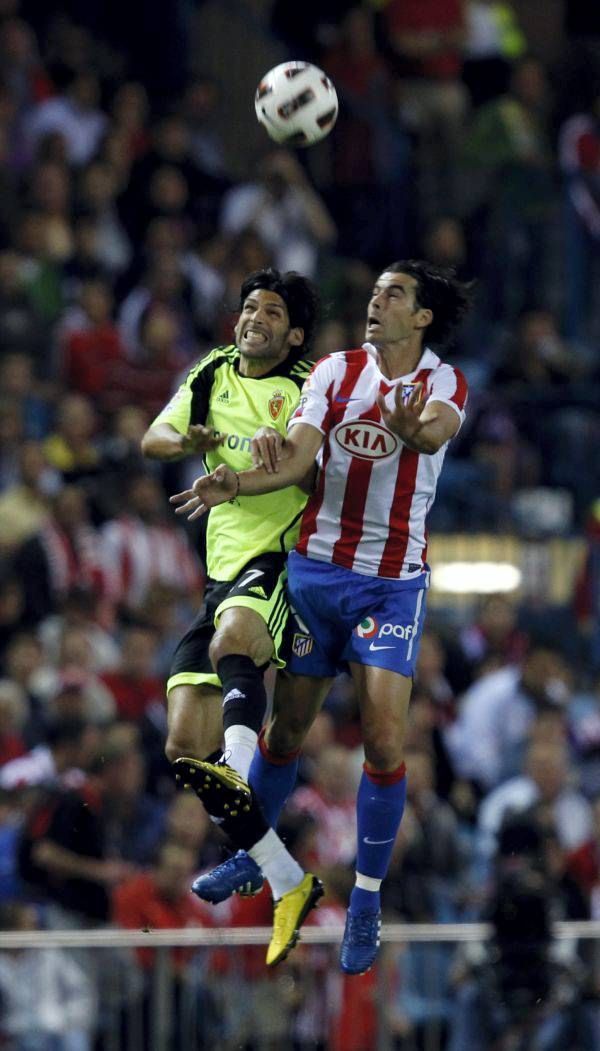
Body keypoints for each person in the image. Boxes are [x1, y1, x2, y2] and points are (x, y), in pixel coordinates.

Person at [172, 259, 472, 974]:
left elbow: (431, 435)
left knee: (385, 737)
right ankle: (252, 856)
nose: (376, 303)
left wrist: (409, 429)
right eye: (372, 293)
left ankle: (365, 899)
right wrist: (235, 482)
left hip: (390, 586)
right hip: (315, 572)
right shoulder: (335, 372)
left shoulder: (444, 381)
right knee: (288, 729)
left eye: (393, 295)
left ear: (423, 315)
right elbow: (297, 458)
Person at [142, 267, 324, 966]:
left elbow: (324, 478)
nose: (255, 317)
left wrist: (295, 469)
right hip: (217, 574)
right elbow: (152, 441)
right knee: (184, 745)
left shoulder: (308, 388)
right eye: (250, 306)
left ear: (295, 333)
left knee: (235, 640)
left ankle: (247, 788)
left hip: (280, 559)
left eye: (272, 311)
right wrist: (192, 442)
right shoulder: (210, 372)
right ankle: (283, 874)